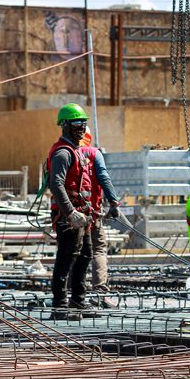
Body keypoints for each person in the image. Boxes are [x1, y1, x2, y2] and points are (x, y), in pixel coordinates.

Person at [46, 104, 96, 320]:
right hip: (69, 215)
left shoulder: (76, 150)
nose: (81, 127)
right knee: (66, 257)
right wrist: (70, 213)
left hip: (82, 214)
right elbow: (56, 185)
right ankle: (59, 305)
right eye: (76, 123)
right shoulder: (63, 153)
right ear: (65, 126)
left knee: (85, 255)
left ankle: (78, 301)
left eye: (83, 123)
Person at [79, 127, 120, 308]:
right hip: (91, 212)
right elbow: (104, 177)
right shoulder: (94, 153)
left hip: (68, 214)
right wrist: (113, 203)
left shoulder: (62, 151)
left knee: (71, 251)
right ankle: (100, 293)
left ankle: (71, 294)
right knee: (98, 249)